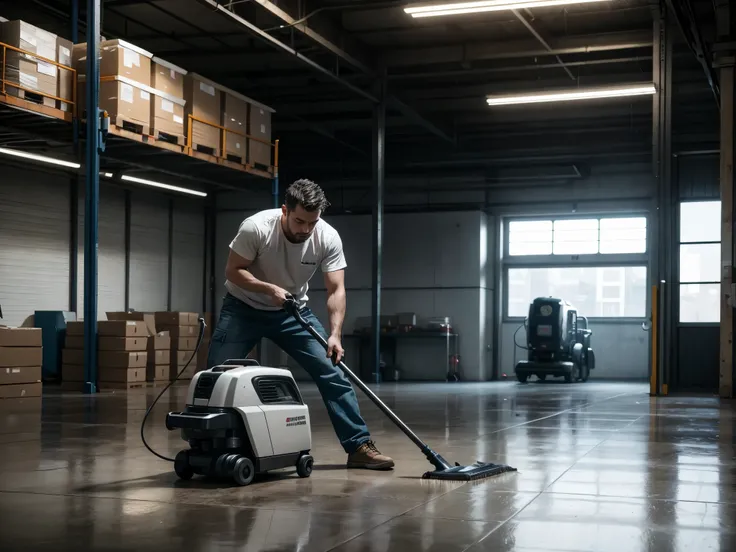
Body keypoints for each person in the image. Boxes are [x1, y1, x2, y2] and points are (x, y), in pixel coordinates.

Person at [207, 178, 395, 470]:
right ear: (284, 210)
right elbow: (233, 272)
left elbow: (336, 290)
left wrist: (334, 335)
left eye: (312, 222)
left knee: (333, 370)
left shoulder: (327, 237)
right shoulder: (256, 228)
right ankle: (208, 445)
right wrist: (269, 289)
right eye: (299, 221)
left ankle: (358, 446)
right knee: (215, 375)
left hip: (291, 312)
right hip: (242, 308)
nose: (305, 230)